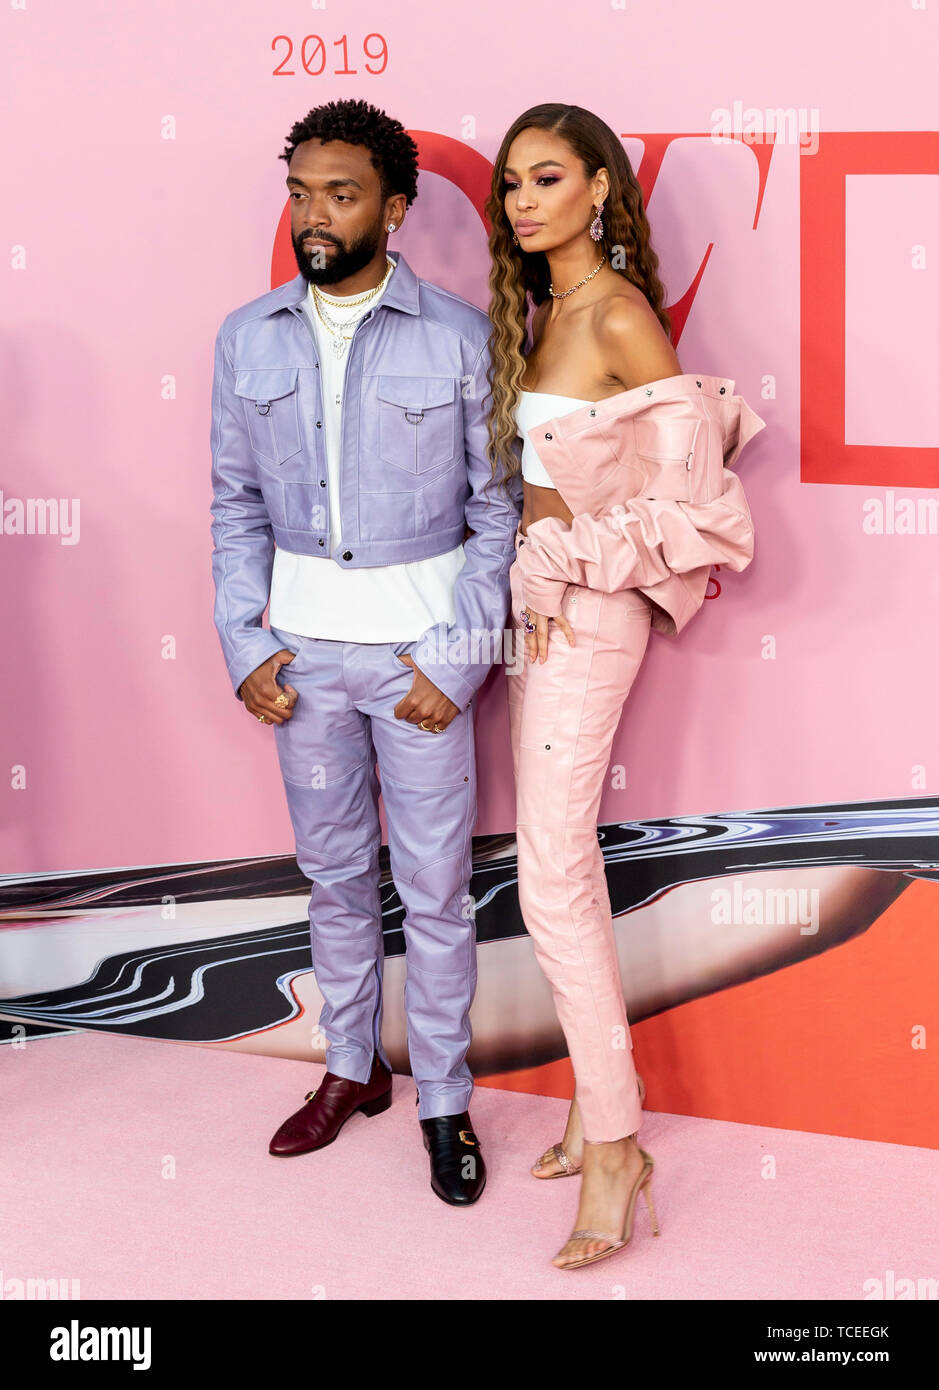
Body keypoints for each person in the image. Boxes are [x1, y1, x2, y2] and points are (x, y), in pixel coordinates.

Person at [209, 98, 521, 1206]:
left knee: (435, 890)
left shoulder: (463, 335)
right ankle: (351, 1070)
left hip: (421, 661)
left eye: (340, 194)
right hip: (302, 665)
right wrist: (247, 641)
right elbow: (235, 505)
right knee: (337, 879)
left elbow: (500, 512)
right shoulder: (248, 336)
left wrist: (459, 659)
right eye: (300, 192)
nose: (314, 214)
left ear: (394, 206)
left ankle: (443, 1097)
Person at [483, 103, 765, 1267]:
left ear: (600, 186)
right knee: (560, 863)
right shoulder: (548, 315)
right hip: (540, 621)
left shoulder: (618, 317)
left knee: (550, 870)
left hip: (590, 617)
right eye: (510, 186)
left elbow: (698, 503)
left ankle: (617, 1143)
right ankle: (587, 1104)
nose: (523, 202)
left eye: (547, 178)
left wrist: (567, 536)